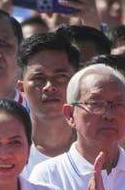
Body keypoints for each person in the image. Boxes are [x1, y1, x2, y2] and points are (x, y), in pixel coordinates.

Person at [15, 32, 80, 177]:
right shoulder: (6, 151)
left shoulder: (97, 146)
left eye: (61, 77)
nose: (49, 86)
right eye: (39, 78)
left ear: (77, 83)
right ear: (21, 88)